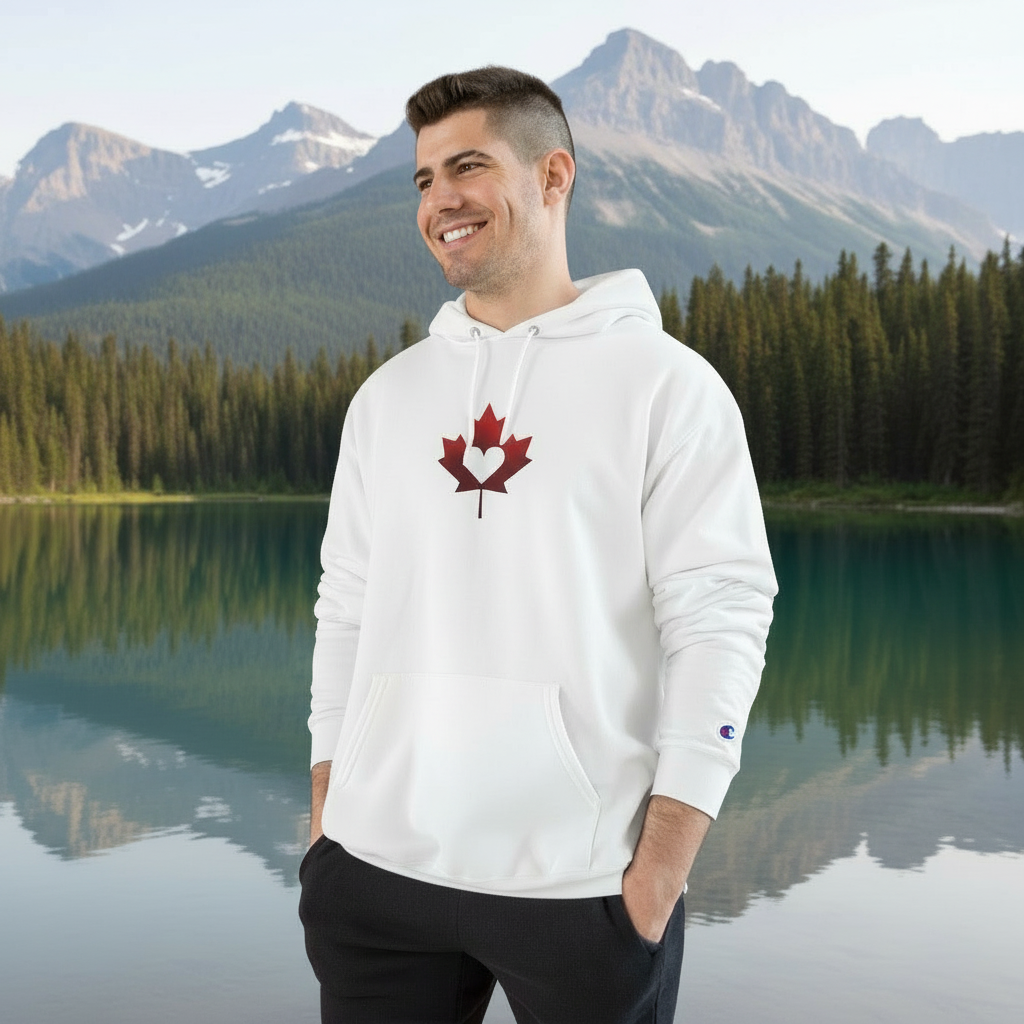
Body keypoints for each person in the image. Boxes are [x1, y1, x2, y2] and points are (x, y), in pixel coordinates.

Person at [299, 66, 777, 1024]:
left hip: (582, 886)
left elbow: (720, 620)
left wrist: (659, 874)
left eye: (467, 167)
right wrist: (325, 817)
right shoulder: (388, 398)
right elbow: (345, 603)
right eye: (425, 179)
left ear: (553, 176)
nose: (441, 201)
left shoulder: (667, 388)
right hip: (375, 874)